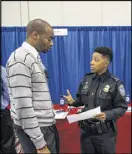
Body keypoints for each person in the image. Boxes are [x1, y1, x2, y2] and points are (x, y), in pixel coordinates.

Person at [6, 19, 59, 154]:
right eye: (49, 39)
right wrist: (40, 145)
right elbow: (23, 106)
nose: (51, 43)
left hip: (43, 128)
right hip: (36, 131)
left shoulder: (33, 58)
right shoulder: (20, 59)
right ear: (35, 35)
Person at [64, 46, 128, 154]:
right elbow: (81, 100)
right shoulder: (87, 79)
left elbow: (122, 107)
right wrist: (72, 102)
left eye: (96, 60)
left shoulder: (115, 83)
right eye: (92, 59)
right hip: (86, 133)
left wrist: (107, 114)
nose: (91, 62)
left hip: (104, 134)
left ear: (106, 63)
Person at [0, 65, 17, 153]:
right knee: (7, 142)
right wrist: (7, 105)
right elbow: (7, 89)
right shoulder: (2, 70)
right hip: (2, 111)